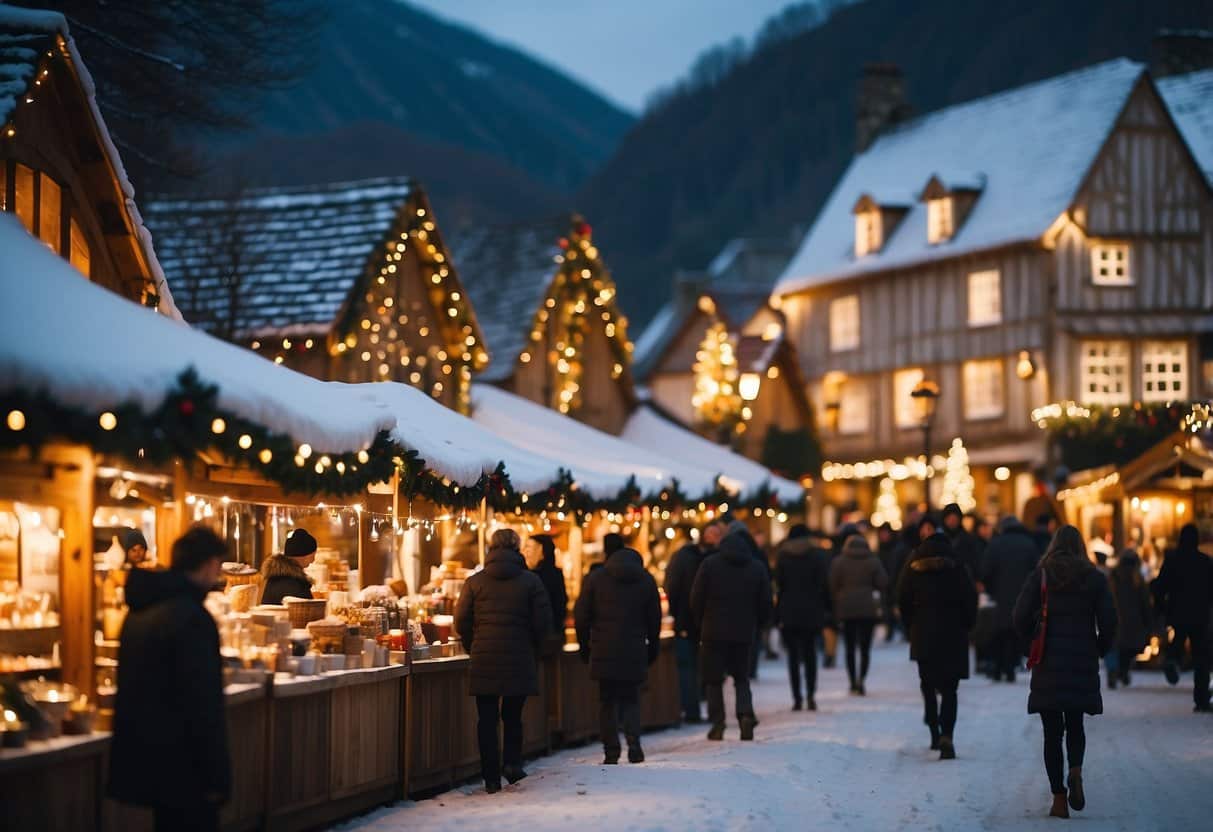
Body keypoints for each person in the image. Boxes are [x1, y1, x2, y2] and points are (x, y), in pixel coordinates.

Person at [109, 526, 231, 832]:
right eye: (217, 565)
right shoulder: (192, 618)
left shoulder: (138, 611)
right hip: (186, 765)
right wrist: (216, 775)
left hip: (147, 757)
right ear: (207, 564)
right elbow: (203, 705)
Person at [1013, 525, 1117, 819]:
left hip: (1047, 660)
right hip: (1081, 658)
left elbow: (1019, 616)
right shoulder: (1094, 578)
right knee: (1075, 722)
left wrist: (1029, 645)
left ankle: (1059, 797)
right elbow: (1109, 620)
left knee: (1051, 733)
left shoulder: (1042, 575)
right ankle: (1076, 770)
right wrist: (1099, 647)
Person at [454, 528, 552, 793]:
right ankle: (511, 764)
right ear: (517, 548)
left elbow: (461, 620)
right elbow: (543, 623)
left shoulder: (474, 582)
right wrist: (535, 648)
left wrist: (472, 644)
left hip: (484, 657)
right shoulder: (531, 582)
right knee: (513, 716)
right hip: (519, 657)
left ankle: (490, 776)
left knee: (486, 719)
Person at [575, 545, 662, 764]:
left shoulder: (595, 579)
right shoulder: (646, 580)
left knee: (607, 702)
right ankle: (634, 745)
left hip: (603, 648)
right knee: (631, 699)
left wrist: (585, 647)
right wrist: (652, 647)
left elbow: (581, 617)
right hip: (634, 648)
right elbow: (654, 620)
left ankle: (611, 750)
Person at [898, 532, 977, 759]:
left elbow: (902, 597)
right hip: (953, 633)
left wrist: (909, 625)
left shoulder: (913, 566)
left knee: (928, 684)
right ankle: (947, 736)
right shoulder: (957, 565)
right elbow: (969, 597)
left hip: (923, 632)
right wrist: (968, 624)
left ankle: (934, 731)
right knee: (951, 689)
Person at [690, 529, 772, 740]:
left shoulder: (709, 564)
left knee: (713, 680)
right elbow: (765, 602)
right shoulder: (756, 567)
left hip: (713, 632)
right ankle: (745, 714)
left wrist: (700, 623)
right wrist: (760, 624)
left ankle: (718, 724)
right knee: (741, 678)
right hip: (743, 632)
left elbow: (696, 597)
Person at [1151, 523, 1213, 711]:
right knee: (1201, 657)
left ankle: (1172, 660)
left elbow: (1159, 586)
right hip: (1200, 614)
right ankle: (1201, 699)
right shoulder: (1205, 561)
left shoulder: (1172, 559)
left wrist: (1161, 607)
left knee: (1178, 639)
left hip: (1177, 612)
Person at [665, 521, 721, 722]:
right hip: (690, 621)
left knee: (702, 668)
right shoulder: (689, 558)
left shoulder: (690, 557)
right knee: (691, 668)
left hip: (704, 622)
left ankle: (700, 709)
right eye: (711, 533)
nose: (713, 538)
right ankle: (693, 709)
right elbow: (673, 586)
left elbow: (671, 585)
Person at [774, 524, 829, 711]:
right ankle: (811, 695)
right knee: (810, 654)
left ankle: (796, 698)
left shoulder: (782, 555)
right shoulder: (817, 555)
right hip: (811, 610)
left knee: (793, 657)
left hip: (789, 610)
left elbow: (779, 584)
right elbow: (823, 583)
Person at [981, 516, 1041, 683]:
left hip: (1000, 596)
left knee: (999, 632)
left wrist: (991, 589)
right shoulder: (1028, 544)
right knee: (1015, 631)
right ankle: (1011, 667)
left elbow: (986, 570)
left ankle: (998, 667)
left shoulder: (995, 544)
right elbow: (1036, 571)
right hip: (1022, 595)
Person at [829, 534, 887, 695]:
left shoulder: (839, 562)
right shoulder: (873, 561)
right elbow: (883, 582)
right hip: (868, 609)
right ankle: (862, 680)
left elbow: (832, 585)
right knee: (865, 648)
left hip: (846, 609)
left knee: (849, 648)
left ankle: (852, 681)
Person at [724, 518, 773, 680]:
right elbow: (767, 579)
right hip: (752, 604)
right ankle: (750, 669)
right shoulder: (758, 553)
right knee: (753, 638)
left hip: (729, 605)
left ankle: (734, 668)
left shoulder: (722, 555)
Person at [1109, 548, 1152, 689]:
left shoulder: (1113, 577)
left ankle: (1115, 671)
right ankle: (1123, 671)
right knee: (1128, 650)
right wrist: (1148, 622)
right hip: (1133, 622)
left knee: (1115, 648)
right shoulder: (1138, 579)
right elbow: (1145, 602)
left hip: (1115, 619)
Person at [525, 534, 568, 636]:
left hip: (544, 636)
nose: (525, 552)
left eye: (529, 547)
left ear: (541, 551)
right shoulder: (555, 574)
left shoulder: (531, 577)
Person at [259, 528, 315, 604]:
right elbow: (308, 610)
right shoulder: (294, 584)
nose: (313, 560)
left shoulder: (275, 577)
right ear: (304, 556)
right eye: (312, 555)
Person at [876, 523, 906, 642]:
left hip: (897, 583)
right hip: (885, 584)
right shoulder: (880, 549)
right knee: (887, 609)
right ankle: (890, 632)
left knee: (898, 609)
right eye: (881, 533)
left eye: (885, 533)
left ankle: (904, 632)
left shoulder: (899, 548)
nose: (883, 536)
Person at [941, 503, 980, 579]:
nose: (952, 522)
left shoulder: (969, 539)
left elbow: (975, 563)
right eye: (949, 519)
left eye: (954, 519)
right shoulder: (939, 540)